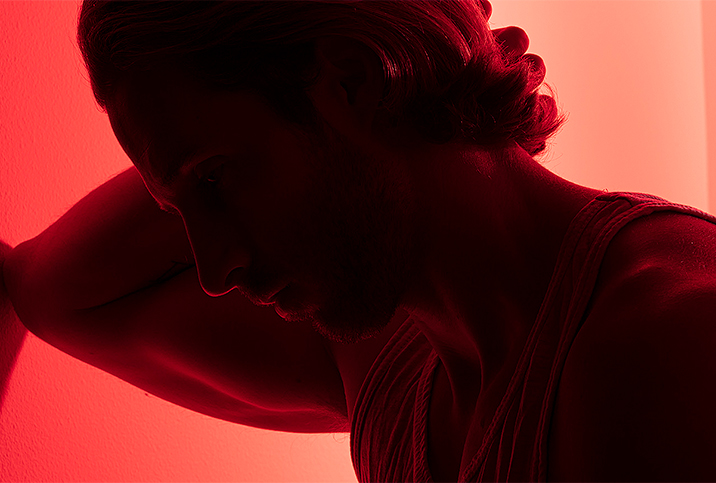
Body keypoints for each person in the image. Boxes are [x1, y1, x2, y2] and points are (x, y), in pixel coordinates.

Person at [3, 1, 716, 481]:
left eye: (217, 180)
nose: (216, 267)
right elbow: (47, 291)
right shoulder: (391, 357)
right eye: (175, 208)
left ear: (351, 80)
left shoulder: (666, 347)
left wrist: (425, 59)